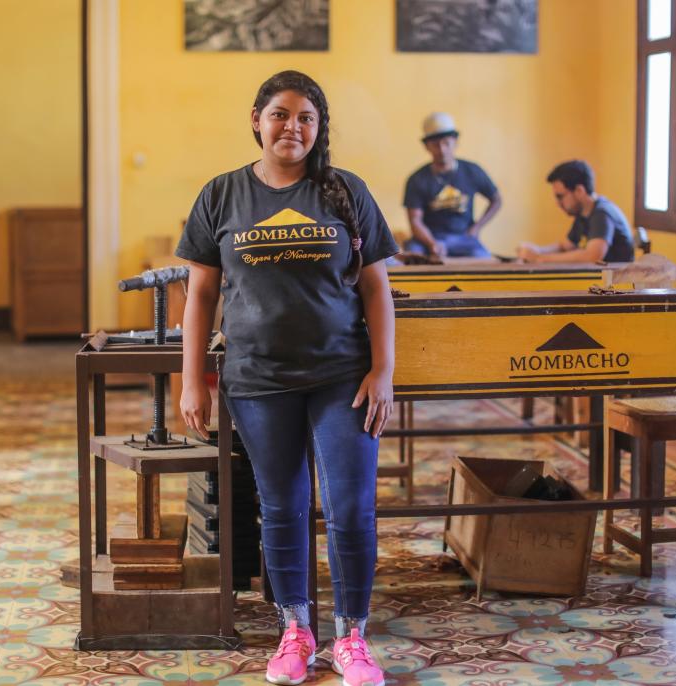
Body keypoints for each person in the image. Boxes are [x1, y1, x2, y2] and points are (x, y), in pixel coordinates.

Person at [176, 70, 397, 686]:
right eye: (279, 114)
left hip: (342, 376)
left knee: (351, 508)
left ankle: (353, 638)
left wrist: (384, 370)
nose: (291, 127)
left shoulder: (346, 192)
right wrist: (193, 378)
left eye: (305, 117)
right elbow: (199, 295)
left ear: (319, 127)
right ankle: (294, 631)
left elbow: (378, 288)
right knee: (282, 507)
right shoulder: (222, 195)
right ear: (256, 120)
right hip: (257, 378)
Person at [402, 112, 502, 258]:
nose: (442, 149)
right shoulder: (417, 179)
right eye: (436, 145)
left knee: (482, 258)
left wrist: (476, 228)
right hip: (427, 239)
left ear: (455, 142)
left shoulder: (472, 171)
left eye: (446, 143)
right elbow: (415, 221)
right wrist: (432, 243)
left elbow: (497, 200)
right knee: (412, 258)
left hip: (463, 238)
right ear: (427, 147)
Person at [518, 159, 635, 263]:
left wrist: (541, 259)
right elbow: (565, 246)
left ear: (579, 191)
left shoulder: (602, 214)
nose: (558, 203)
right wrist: (537, 250)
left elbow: (593, 256)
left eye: (560, 196)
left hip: (616, 286)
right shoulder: (584, 213)